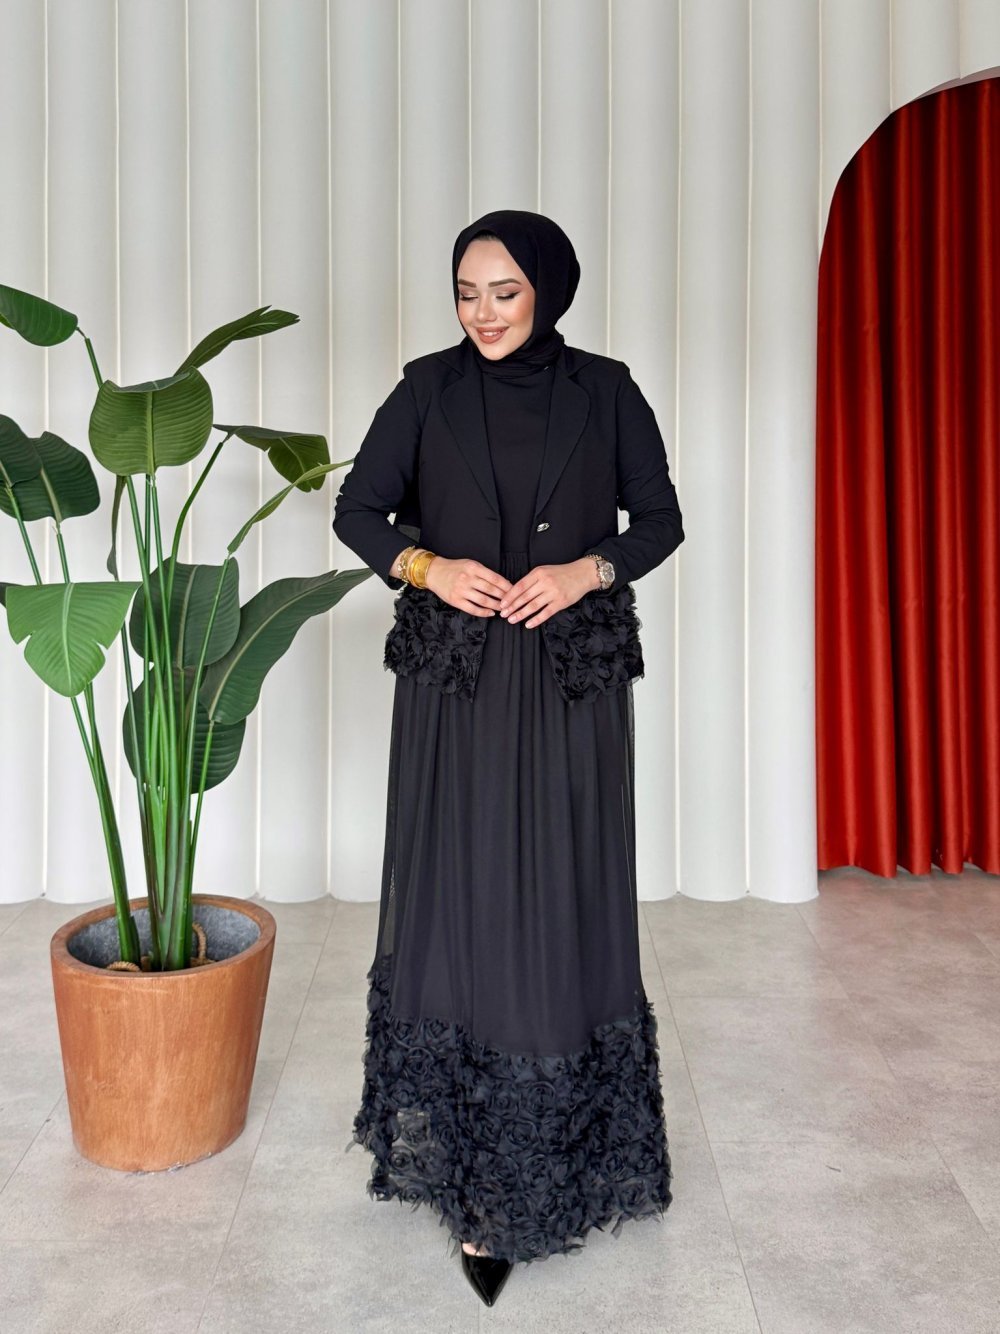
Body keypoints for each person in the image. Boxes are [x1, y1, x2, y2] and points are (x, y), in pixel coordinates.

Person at [334, 209, 684, 1307]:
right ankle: (477, 1174)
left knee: (561, 892)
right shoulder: (425, 390)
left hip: (571, 682)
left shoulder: (606, 391)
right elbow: (358, 510)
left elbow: (659, 518)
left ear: (549, 290)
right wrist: (427, 566)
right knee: (466, 887)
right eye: (465, 291)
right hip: (459, 686)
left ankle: (568, 1148)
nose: (481, 313)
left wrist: (586, 571)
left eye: (504, 291)